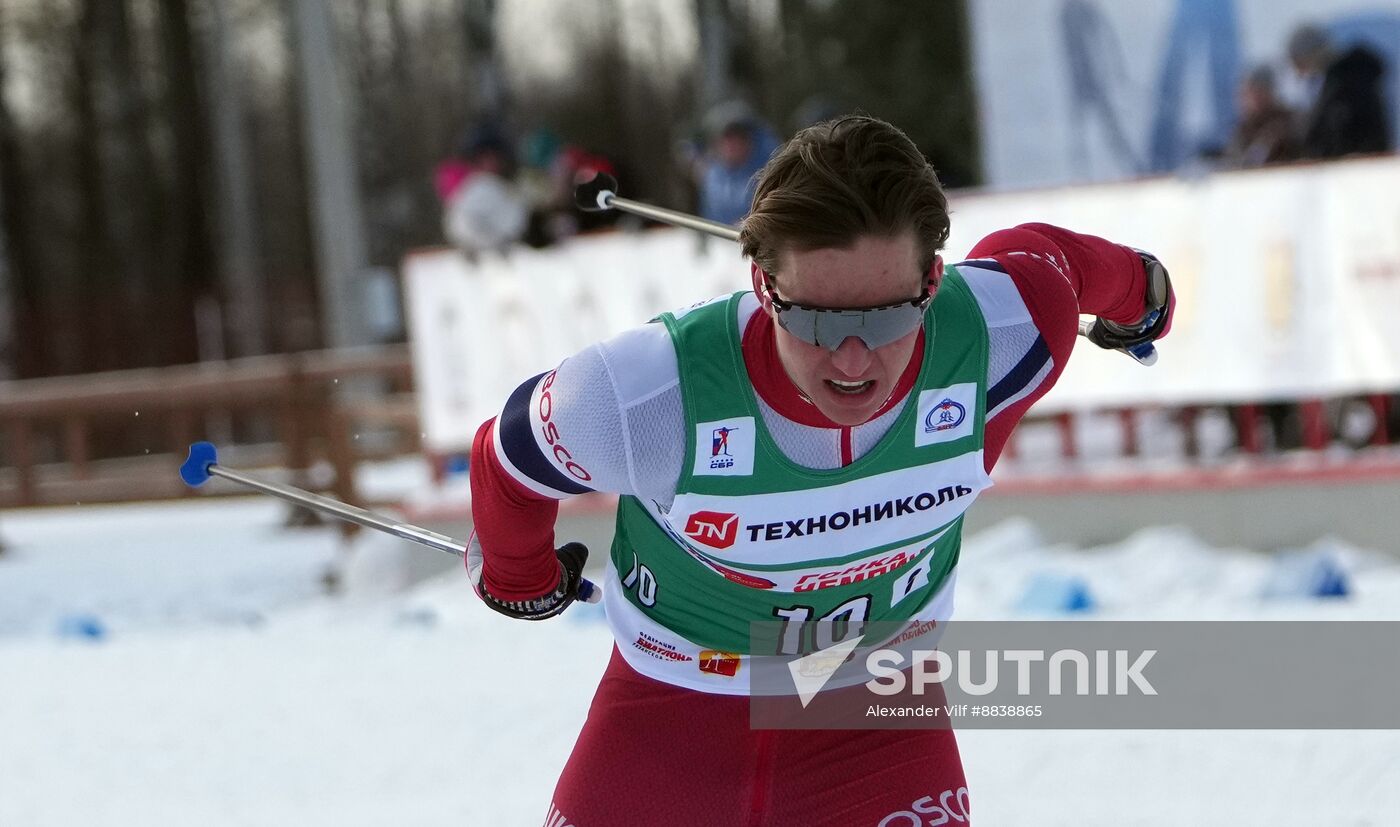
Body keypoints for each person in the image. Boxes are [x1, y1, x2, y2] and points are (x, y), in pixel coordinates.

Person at [465, 116, 1173, 825]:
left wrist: (1145, 290)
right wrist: (518, 576)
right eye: (817, 320)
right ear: (763, 284)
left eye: (892, 315)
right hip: (667, 720)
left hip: (877, 720)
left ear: (934, 279)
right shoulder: (649, 392)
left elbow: (1062, 264)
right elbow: (506, 457)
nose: (855, 360)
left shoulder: (999, 331)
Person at [1287, 24, 1392, 159]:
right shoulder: (1348, 77)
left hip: (1358, 166)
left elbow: (1344, 127)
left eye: (1300, 63)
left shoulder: (1345, 81)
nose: (1302, 72)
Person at [437, 125, 528, 256]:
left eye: (494, 157)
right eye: (484, 157)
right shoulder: (470, 188)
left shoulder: (506, 189)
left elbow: (516, 219)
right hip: (477, 251)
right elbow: (459, 222)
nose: (491, 162)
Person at [1223, 65, 1301, 168]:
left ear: (1266, 92)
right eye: (1242, 95)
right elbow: (1234, 161)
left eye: (1250, 93)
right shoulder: (1244, 128)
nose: (1243, 101)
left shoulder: (1286, 121)